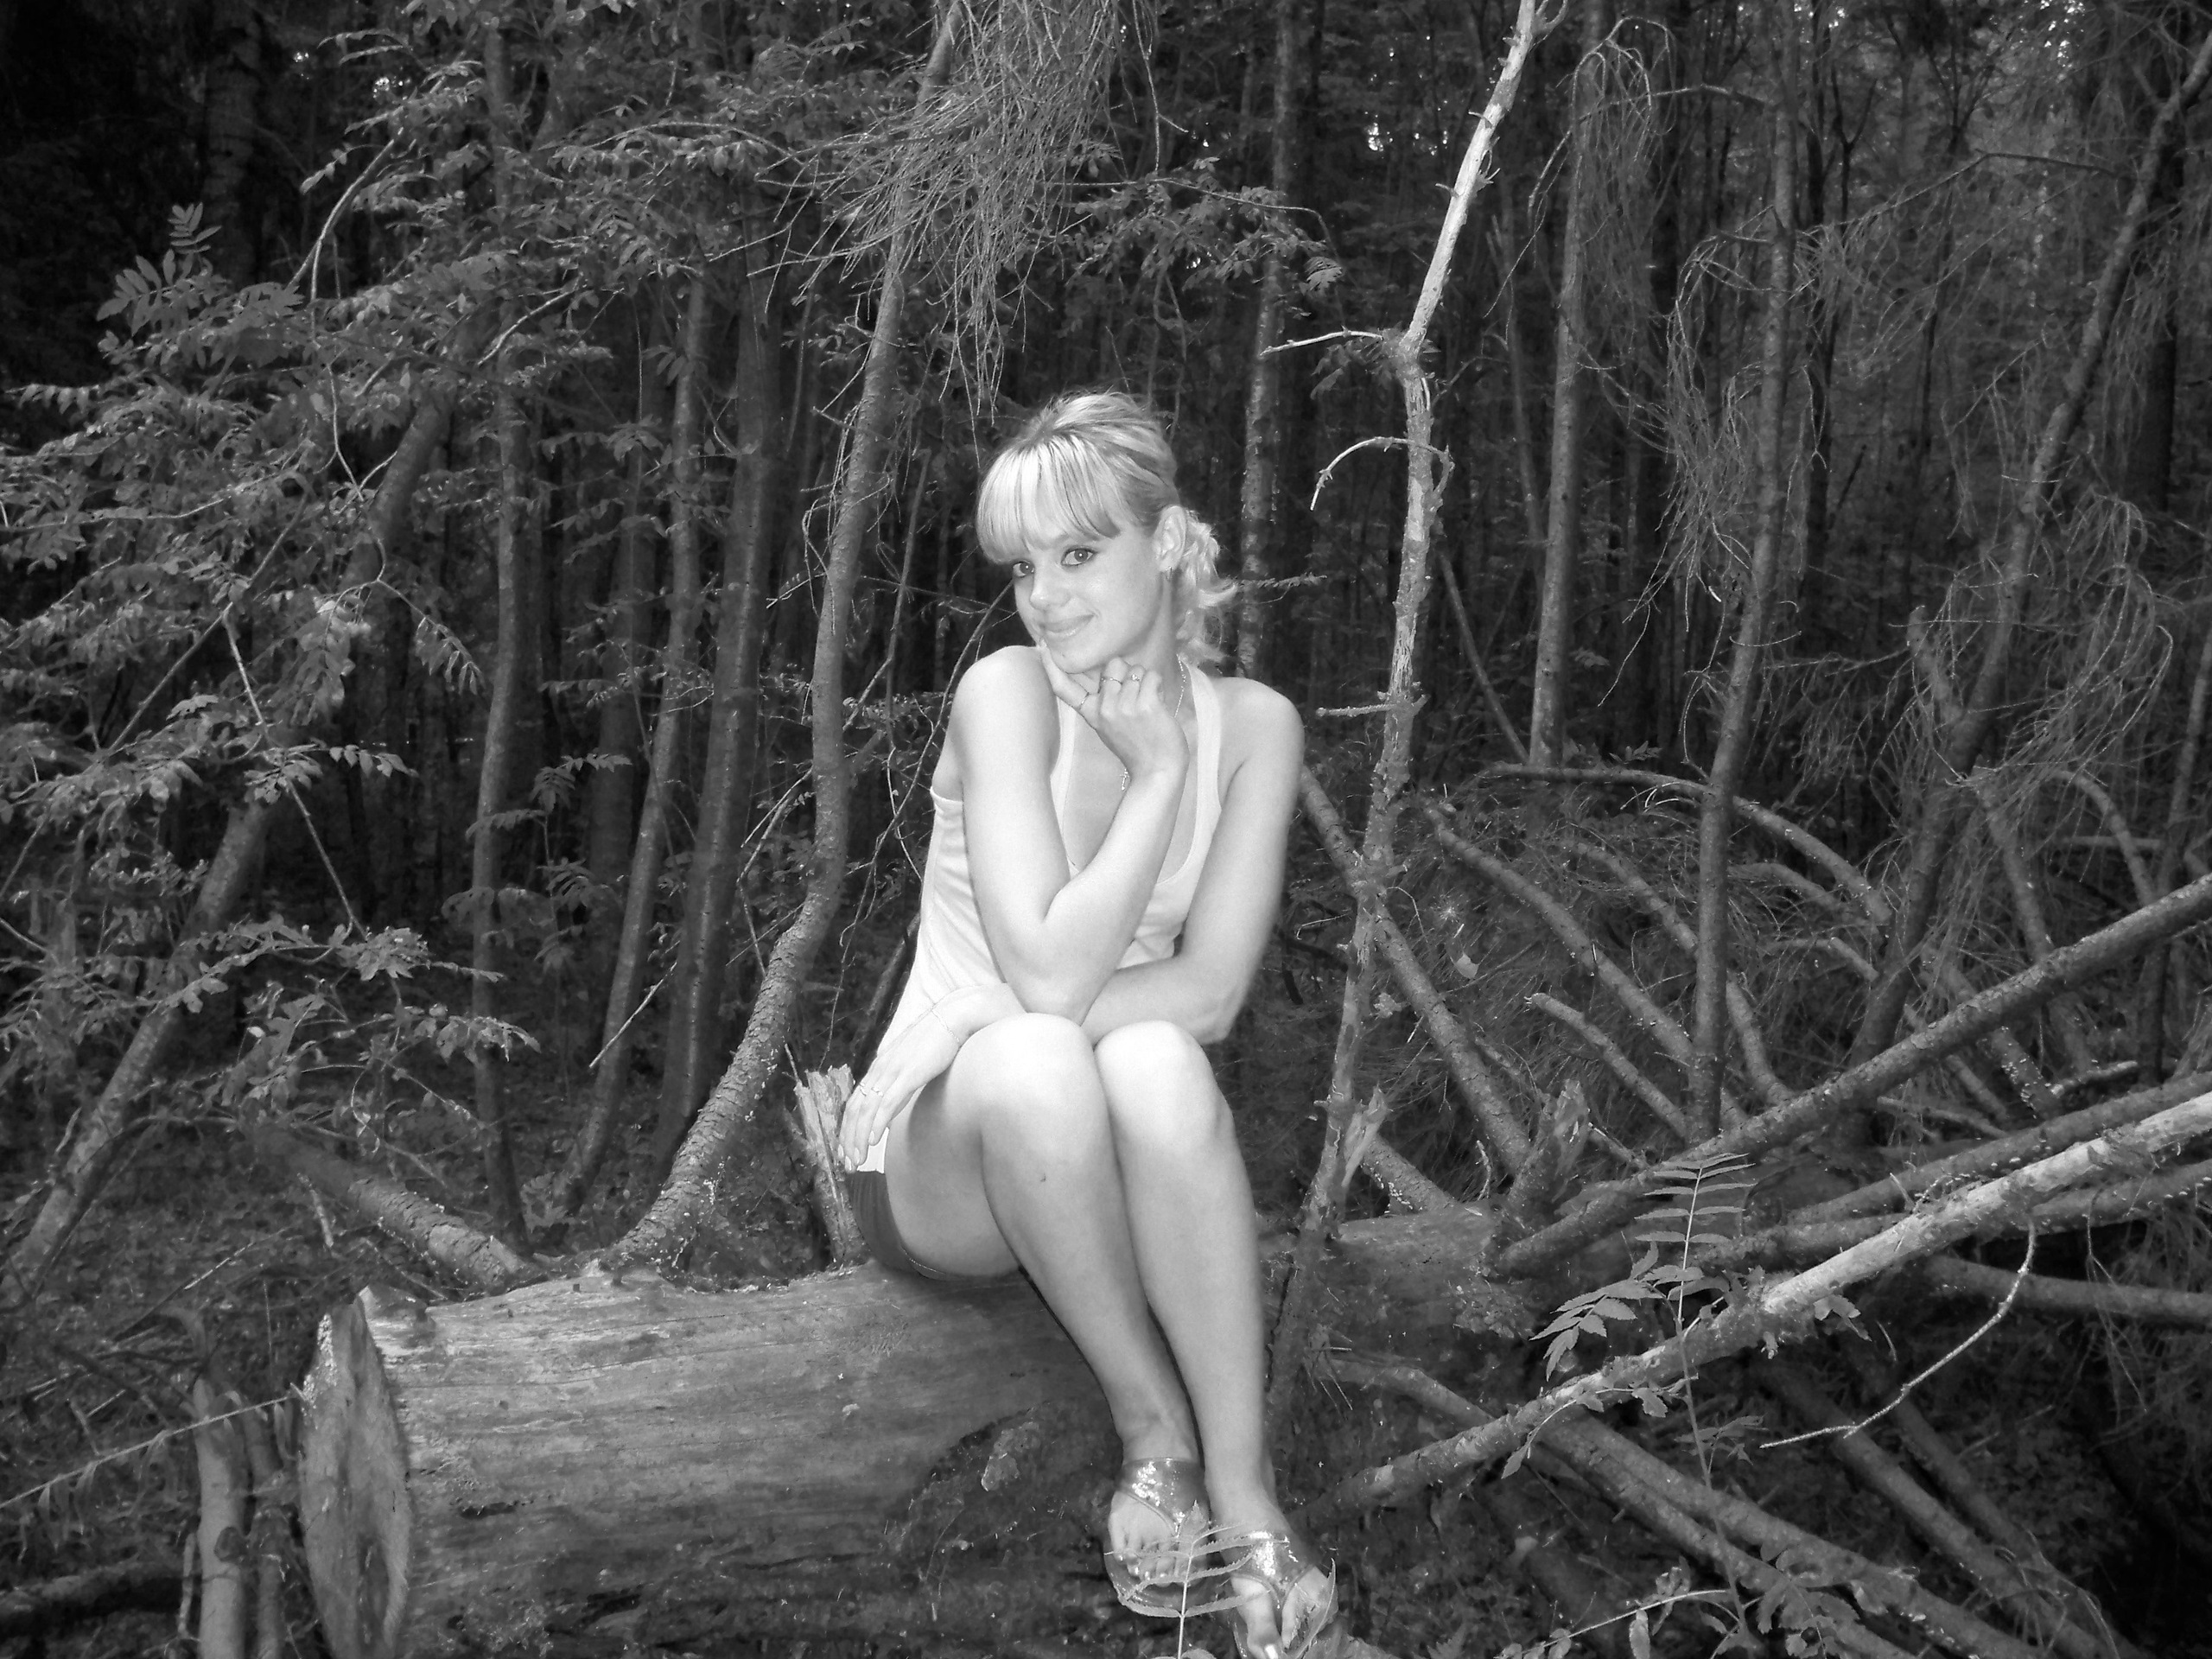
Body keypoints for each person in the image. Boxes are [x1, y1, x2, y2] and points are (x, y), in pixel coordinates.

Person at [835, 391, 1332, 1659]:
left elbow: (1210, 995)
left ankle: (1244, 1488)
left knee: (1156, 1059)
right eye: (1023, 568)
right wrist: (1157, 775)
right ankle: (1152, 1425)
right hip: (942, 1151)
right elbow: (1050, 984)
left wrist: (996, 1007)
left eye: (1077, 554)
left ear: (1163, 542)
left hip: (1099, 1144)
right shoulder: (1006, 694)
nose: (1045, 599)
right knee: (1041, 1054)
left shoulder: (1257, 728)